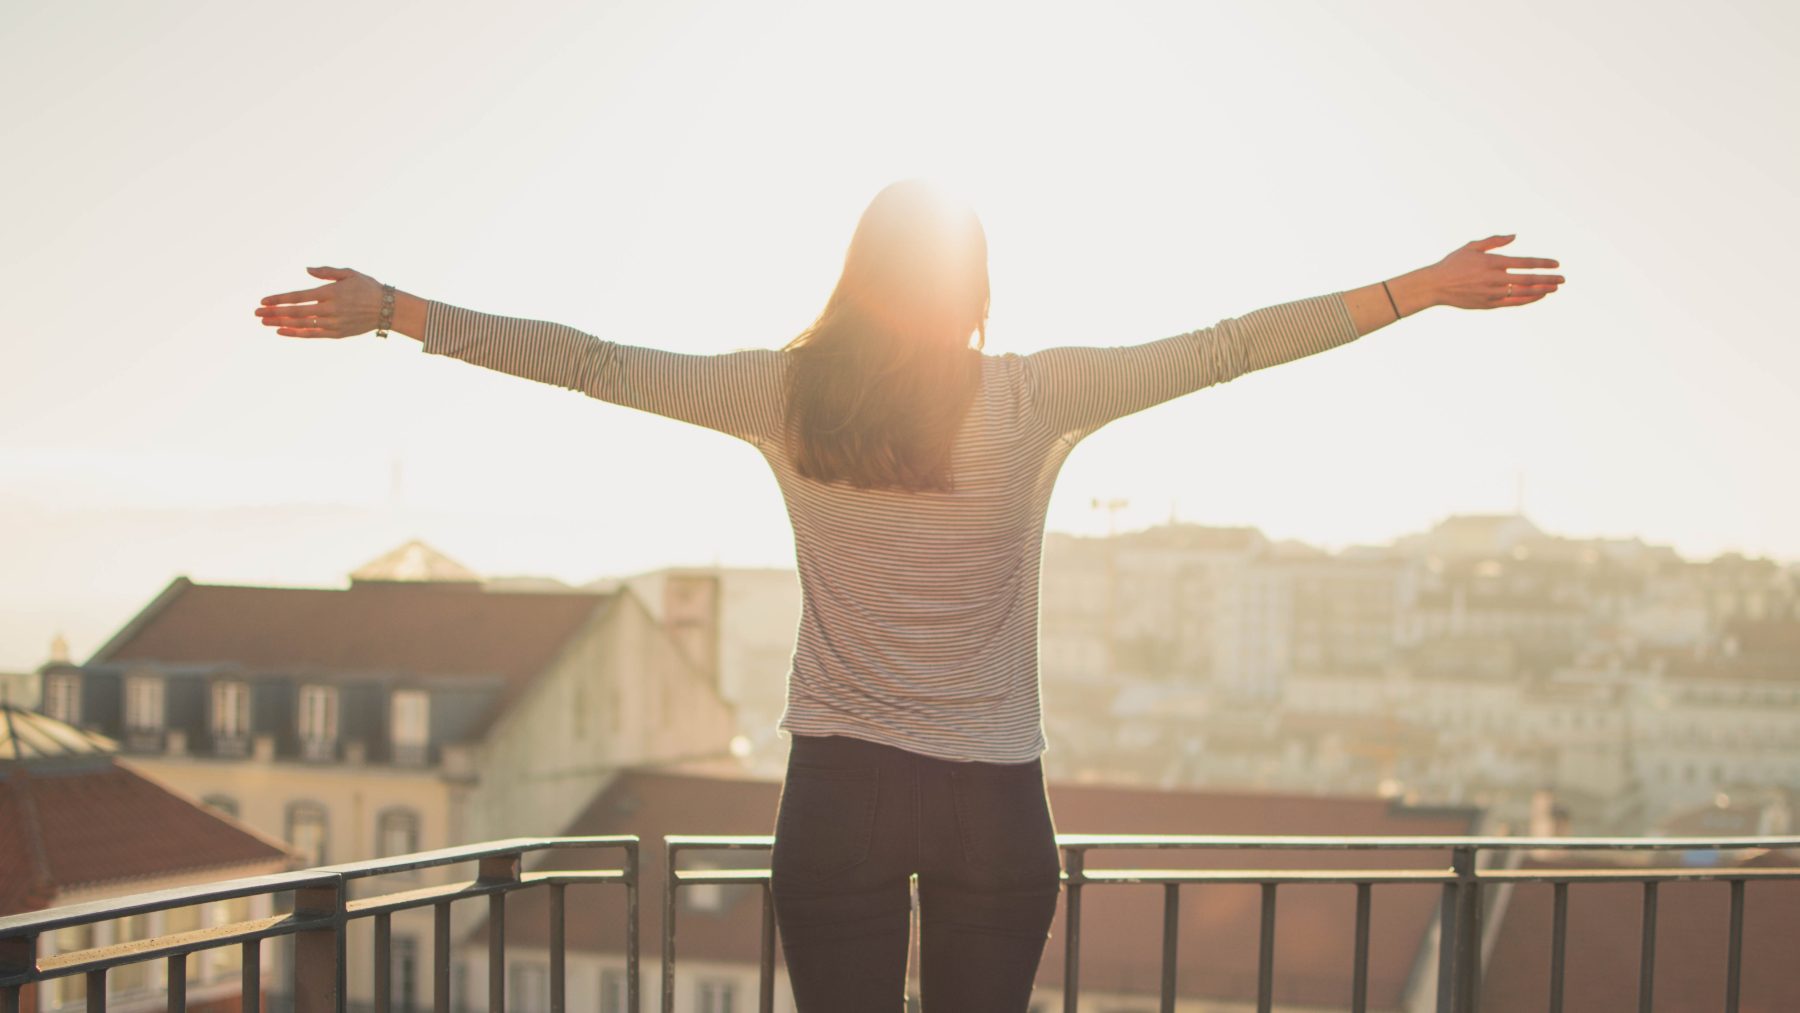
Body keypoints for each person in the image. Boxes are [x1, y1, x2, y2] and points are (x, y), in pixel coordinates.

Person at [255, 179, 1562, 1011]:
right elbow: (1225, 350)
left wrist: (398, 310)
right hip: (993, 798)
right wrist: (1420, 291)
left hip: (840, 792)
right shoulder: (1032, 395)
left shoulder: (781, 394)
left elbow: (592, 362)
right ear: (975, 287)